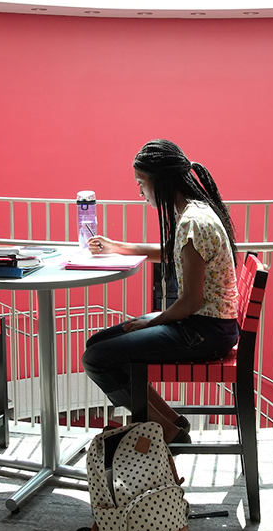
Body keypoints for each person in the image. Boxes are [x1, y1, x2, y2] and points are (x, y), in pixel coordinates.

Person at [82, 140, 241, 444]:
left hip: (203, 331)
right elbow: (174, 253)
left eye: (142, 184)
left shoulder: (193, 222)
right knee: (99, 343)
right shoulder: (197, 211)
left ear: (160, 181)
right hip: (209, 325)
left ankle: (166, 431)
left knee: (96, 358)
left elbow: (191, 301)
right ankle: (171, 421)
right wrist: (118, 247)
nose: (140, 193)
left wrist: (153, 321)